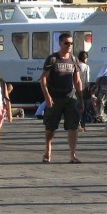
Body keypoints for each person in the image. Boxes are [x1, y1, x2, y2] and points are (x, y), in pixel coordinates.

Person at [40, 33, 84, 164]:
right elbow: (43, 79)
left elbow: (77, 80)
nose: (69, 46)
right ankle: (48, 150)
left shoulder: (74, 60)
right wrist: (47, 96)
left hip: (70, 96)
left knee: (73, 126)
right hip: (55, 97)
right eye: (66, 43)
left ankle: (72, 154)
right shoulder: (53, 59)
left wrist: (81, 98)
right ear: (60, 43)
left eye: (71, 43)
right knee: (50, 127)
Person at [77, 50, 91, 131]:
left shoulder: (75, 65)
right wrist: (88, 89)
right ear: (85, 58)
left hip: (75, 89)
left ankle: (77, 124)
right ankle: (83, 125)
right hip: (83, 89)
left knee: (77, 107)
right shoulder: (86, 67)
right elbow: (87, 80)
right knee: (84, 108)